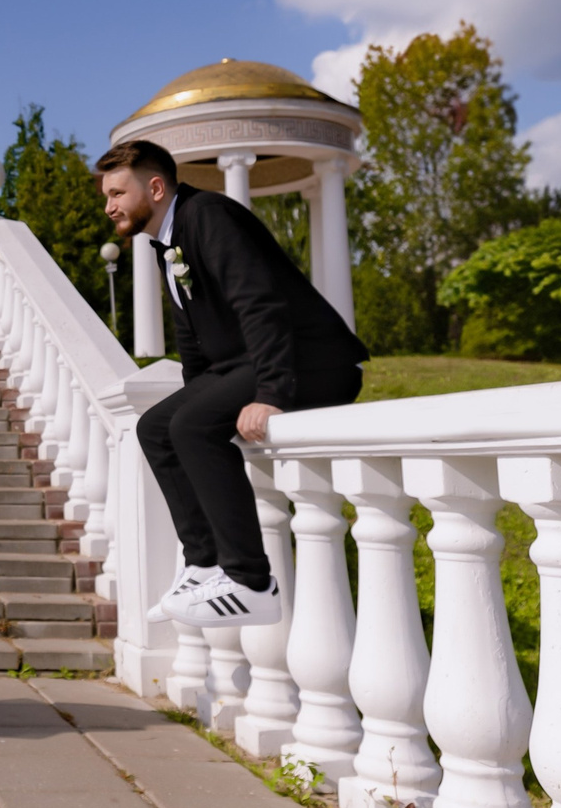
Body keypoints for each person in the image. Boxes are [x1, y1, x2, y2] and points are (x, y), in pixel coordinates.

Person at [95, 138, 368, 629]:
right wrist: (199, 393)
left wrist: (272, 395)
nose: (109, 206)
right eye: (107, 196)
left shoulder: (210, 217)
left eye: (117, 193)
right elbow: (193, 340)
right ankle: (203, 564)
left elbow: (260, 304)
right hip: (241, 363)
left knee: (193, 427)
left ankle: (251, 581)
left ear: (155, 187)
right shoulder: (168, 244)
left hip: (314, 361)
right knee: (158, 426)